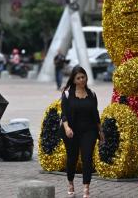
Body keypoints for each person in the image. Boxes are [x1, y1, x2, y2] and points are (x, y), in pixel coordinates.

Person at [61, 66, 104, 198]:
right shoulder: (67, 94)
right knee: (72, 159)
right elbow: (64, 114)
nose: (81, 80)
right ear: (73, 80)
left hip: (89, 131)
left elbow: (95, 114)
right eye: (78, 78)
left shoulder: (92, 94)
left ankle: (86, 189)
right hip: (72, 131)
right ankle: (71, 183)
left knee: (87, 158)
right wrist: (67, 128)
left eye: (83, 77)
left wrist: (100, 132)